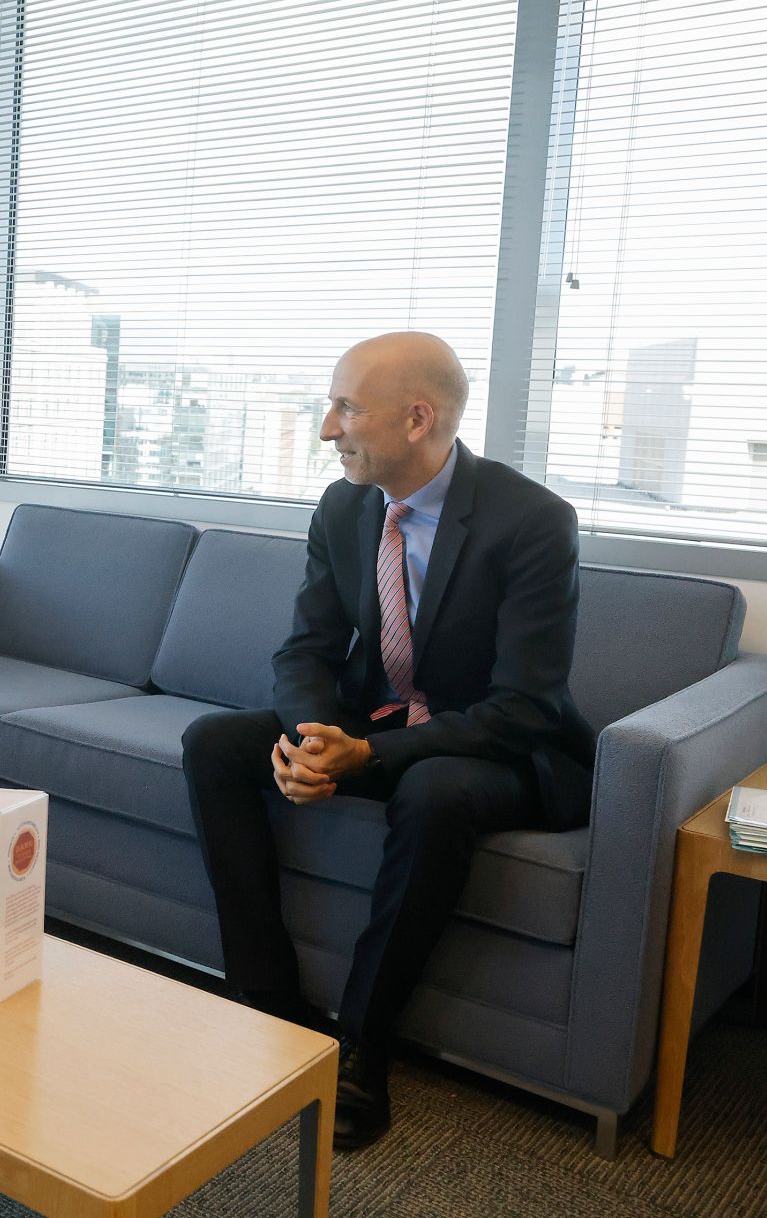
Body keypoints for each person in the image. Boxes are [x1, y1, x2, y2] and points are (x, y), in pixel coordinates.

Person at [181, 331, 594, 1150]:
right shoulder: (344, 507)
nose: (327, 429)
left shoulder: (534, 522)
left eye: (346, 408)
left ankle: (363, 1049)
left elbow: (525, 707)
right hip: (380, 723)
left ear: (417, 418)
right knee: (213, 743)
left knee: (434, 788)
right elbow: (305, 649)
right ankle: (267, 1005)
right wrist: (314, 738)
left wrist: (366, 755)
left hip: (503, 750)